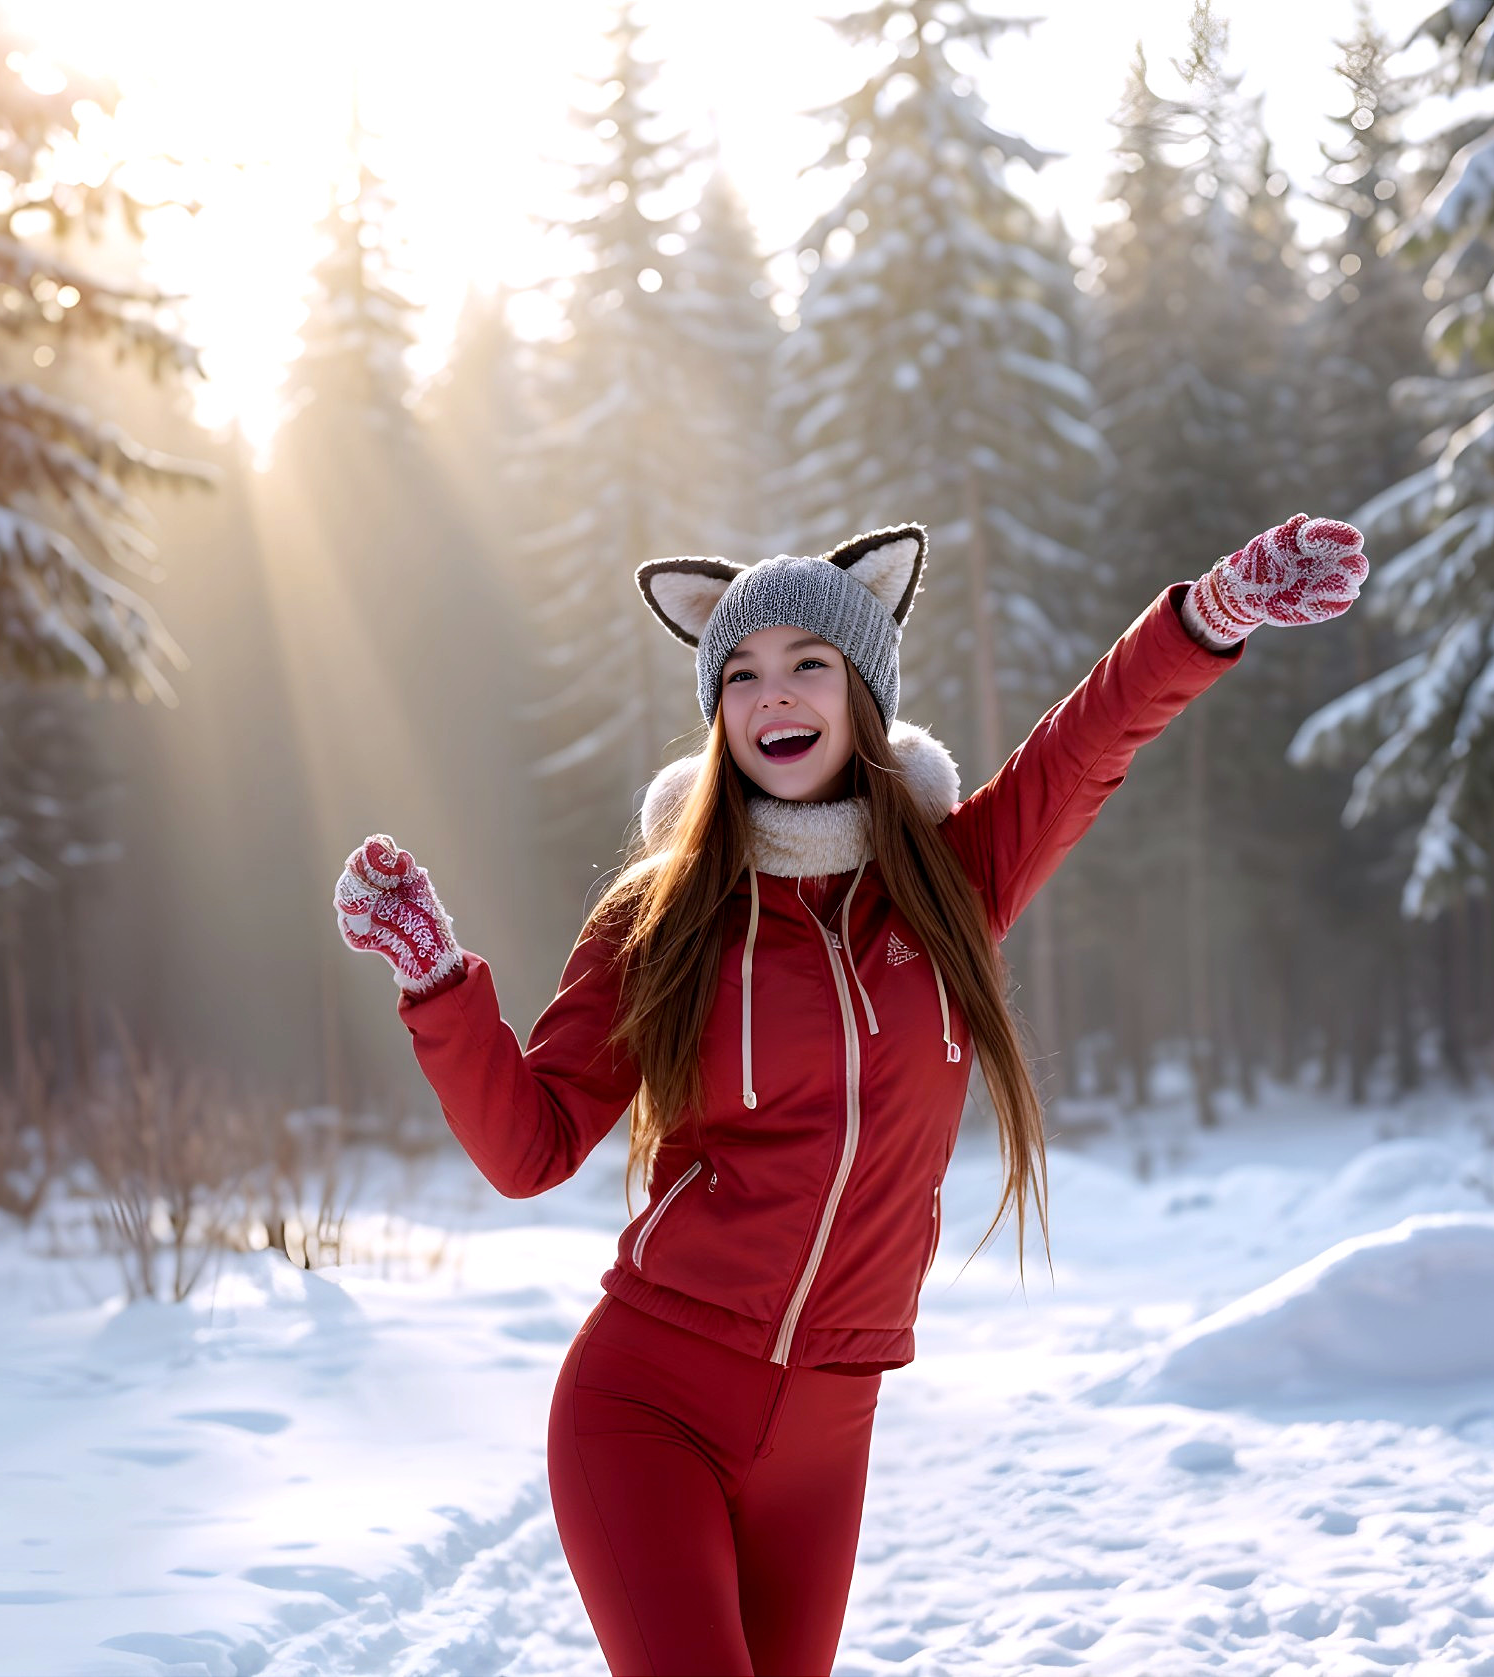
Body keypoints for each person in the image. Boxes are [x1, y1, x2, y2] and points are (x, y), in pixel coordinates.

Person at [331, 515, 1368, 1675]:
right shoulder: (658, 920)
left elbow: (1083, 748)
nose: (772, 695)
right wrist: (435, 981)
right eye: (740, 674)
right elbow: (530, 1145)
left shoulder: (947, 888)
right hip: (647, 1404)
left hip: (829, 1435)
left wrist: (1204, 618)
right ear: (717, 712)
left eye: (805, 664)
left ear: (862, 688)